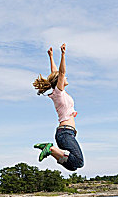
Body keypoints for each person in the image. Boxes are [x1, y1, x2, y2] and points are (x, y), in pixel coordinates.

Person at [32, 43, 84, 171]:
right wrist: (63, 55)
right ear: (59, 81)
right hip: (65, 133)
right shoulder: (59, 93)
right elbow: (60, 72)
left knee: (72, 167)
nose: (65, 77)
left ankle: (51, 150)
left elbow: (55, 73)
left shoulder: (59, 93)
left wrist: (50, 57)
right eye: (63, 77)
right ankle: (50, 149)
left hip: (67, 133)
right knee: (79, 162)